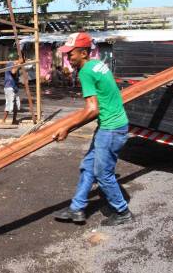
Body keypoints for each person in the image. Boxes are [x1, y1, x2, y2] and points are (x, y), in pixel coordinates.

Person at [52, 32, 133, 227]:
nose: (68, 57)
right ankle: (77, 208)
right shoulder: (98, 64)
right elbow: (97, 107)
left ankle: (122, 211)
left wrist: (66, 128)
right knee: (88, 167)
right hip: (112, 125)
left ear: (82, 53)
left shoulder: (86, 71)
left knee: (102, 173)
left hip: (111, 129)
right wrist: (70, 127)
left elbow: (92, 109)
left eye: (71, 54)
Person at [2, 53, 22, 125]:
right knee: (9, 104)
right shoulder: (10, 63)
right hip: (9, 87)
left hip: (15, 87)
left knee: (16, 104)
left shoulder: (16, 64)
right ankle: (3, 120)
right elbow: (13, 71)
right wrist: (19, 63)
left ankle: (14, 120)